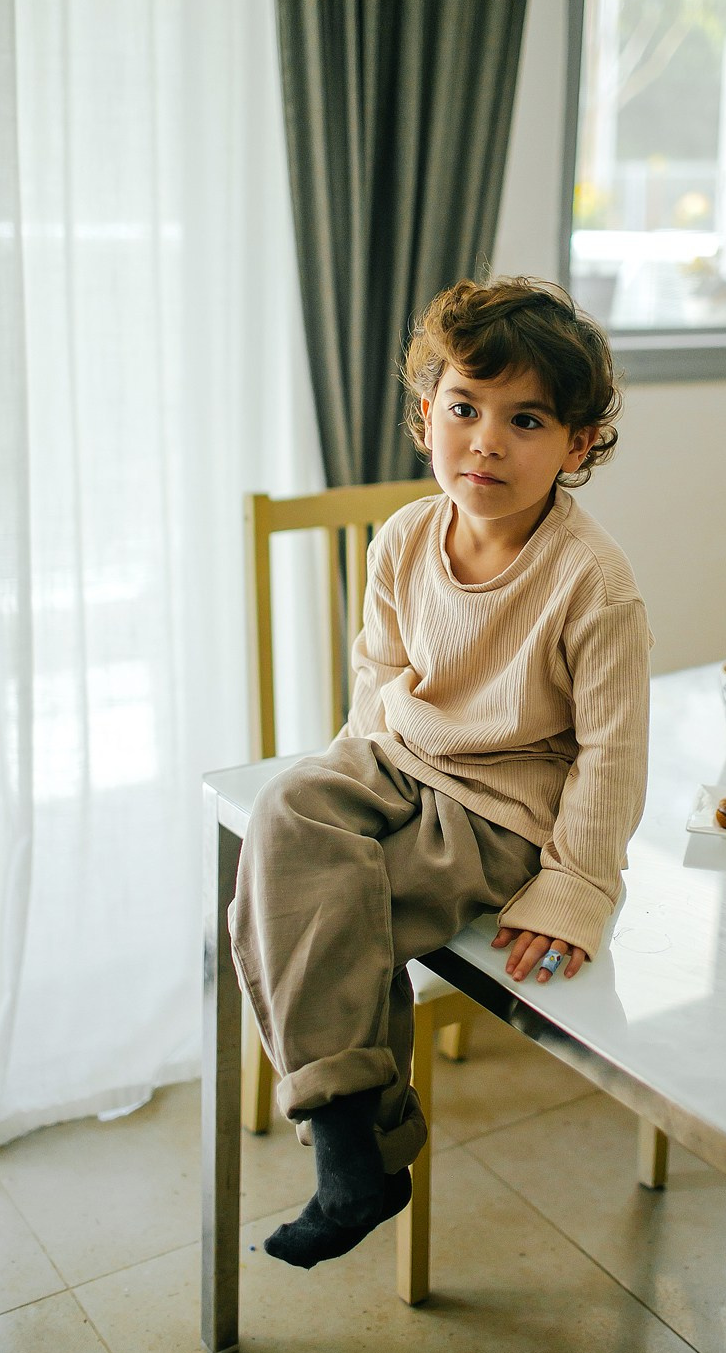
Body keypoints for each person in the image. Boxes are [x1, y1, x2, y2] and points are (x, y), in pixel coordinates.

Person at [228, 275, 652, 1269]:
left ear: (577, 445)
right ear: (428, 418)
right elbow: (376, 675)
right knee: (282, 818)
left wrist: (577, 884)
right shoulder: (405, 535)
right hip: (391, 759)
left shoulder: (594, 583)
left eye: (527, 419)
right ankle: (363, 1145)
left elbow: (612, 751)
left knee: (336, 907)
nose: (486, 441)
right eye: (464, 407)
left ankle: (350, 1146)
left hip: (497, 809)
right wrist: (363, 766)